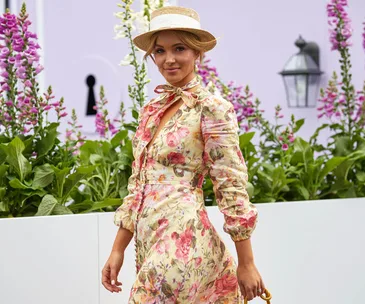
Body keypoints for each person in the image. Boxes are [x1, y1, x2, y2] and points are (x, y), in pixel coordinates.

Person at [102, 6, 266, 303]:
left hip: (183, 237)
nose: (169, 59)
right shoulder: (150, 112)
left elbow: (230, 184)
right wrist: (117, 249)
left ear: (197, 52)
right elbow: (138, 185)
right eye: (160, 50)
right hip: (148, 238)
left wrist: (247, 262)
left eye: (180, 48)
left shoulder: (212, 108)